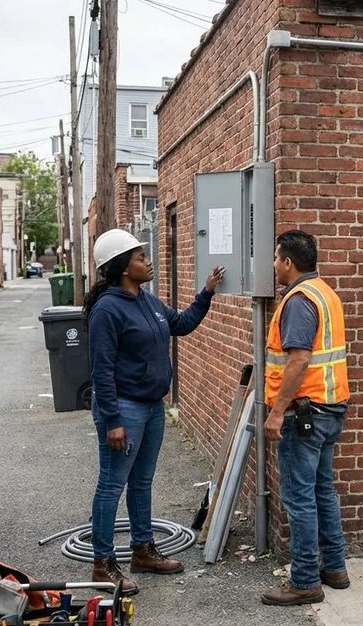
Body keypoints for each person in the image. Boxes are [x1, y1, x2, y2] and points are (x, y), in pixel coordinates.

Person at [83, 228, 225, 595]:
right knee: (111, 485)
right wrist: (112, 421)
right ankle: (102, 563)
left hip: (151, 406)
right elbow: (100, 369)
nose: (148, 262)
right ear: (123, 267)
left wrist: (206, 293)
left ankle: (142, 550)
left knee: (142, 482)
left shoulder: (147, 301)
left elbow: (180, 324)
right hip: (124, 410)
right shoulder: (107, 310)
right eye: (141, 257)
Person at [261, 230, 350, 606]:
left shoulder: (299, 301)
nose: (274, 264)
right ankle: (335, 568)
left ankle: (304, 581)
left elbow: (298, 360)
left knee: (299, 499)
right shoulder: (325, 293)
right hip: (329, 408)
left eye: (276, 258)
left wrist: (276, 411)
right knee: (321, 491)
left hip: (304, 412)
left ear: (287, 262)